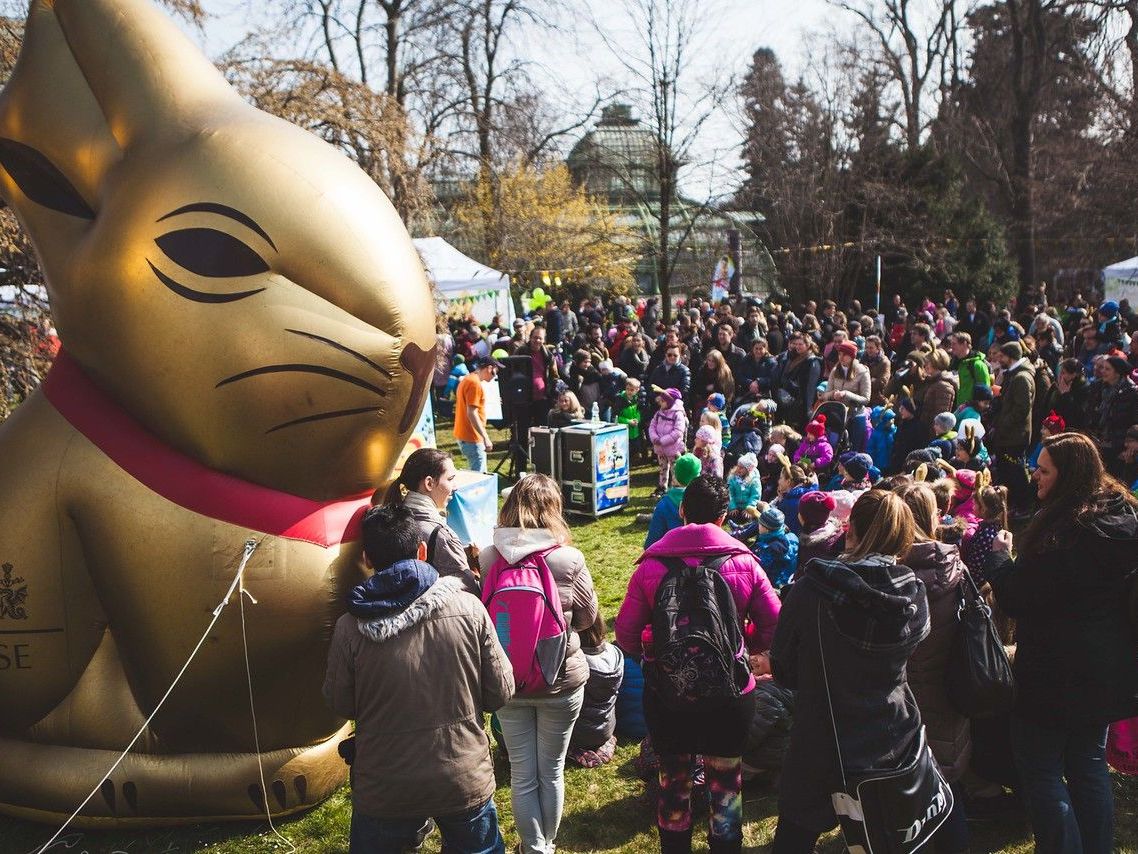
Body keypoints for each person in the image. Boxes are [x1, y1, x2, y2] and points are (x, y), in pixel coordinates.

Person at [323, 505, 514, 852]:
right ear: (422, 550)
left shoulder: (349, 629)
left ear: (367, 559)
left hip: (385, 784)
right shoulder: (470, 609)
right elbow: (500, 692)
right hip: (462, 773)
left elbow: (340, 703)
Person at [985, 433, 1138, 854]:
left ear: (1068, 476)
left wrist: (999, 559)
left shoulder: (1067, 535)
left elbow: (1019, 597)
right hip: (1105, 669)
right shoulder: (1122, 519)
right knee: (1088, 764)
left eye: (1044, 469)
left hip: (1055, 674)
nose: (1035, 474)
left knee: (1041, 770)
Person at [615, 474, 782, 854]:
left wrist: (658, 652)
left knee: (673, 782)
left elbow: (625, 634)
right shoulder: (745, 563)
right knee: (725, 783)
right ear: (723, 517)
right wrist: (739, 646)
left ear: (682, 510)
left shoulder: (650, 565)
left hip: (667, 693)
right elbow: (775, 625)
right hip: (732, 692)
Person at [769, 490, 930, 853]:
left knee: (798, 832)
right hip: (889, 729)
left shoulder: (813, 590)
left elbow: (783, 665)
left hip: (824, 733)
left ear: (850, 529)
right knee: (886, 832)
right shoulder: (912, 592)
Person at [479, 474, 600, 854]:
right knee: (551, 771)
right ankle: (546, 845)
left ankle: (533, 848)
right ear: (554, 510)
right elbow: (587, 616)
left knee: (521, 773)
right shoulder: (568, 559)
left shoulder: (489, 556)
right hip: (560, 679)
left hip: (508, 682)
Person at [894, 482, 972, 854]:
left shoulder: (895, 575)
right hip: (950, 684)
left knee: (906, 790)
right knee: (947, 780)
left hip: (906, 693)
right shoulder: (955, 564)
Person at [382, 448, 478, 594]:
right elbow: (470, 591)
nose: (455, 487)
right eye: (450, 479)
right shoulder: (441, 535)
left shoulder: (387, 521)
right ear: (429, 483)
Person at [567, 614, 625, 768]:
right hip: (606, 728)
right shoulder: (615, 653)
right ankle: (604, 743)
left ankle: (572, 750)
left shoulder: (575, 662)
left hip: (577, 734)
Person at [989, 341, 1036, 518]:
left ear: (1010, 357)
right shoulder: (1013, 375)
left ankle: (1024, 506)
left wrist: (1003, 423)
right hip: (1008, 434)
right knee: (1008, 471)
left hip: (1015, 436)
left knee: (1016, 471)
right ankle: (1014, 503)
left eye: (1001, 356)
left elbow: (1021, 409)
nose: (998, 359)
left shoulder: (1021, 378)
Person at [820, 340, 871, 452]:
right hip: (837, 415)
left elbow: (866, 398)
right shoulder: (835, 370)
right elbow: (825, 394)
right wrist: (833, 394)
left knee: (853, 447)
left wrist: (847, 394)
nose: (841, 357)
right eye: (839, 354)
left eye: (845, 354)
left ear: (852, 356)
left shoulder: (862, 372)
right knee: (833, 446)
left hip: (855, 415)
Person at [645, 453, 703, 549]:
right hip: (700, 555)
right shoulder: (705, 501)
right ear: (698, 476)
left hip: (671, 556)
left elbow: (652, 542)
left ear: (675, 474)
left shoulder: (664, 504)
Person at [454, 355, 500, 473]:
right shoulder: (474, 383)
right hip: (472, 437)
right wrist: (485, 437)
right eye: (495, 372)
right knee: (478, 478)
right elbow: (472, 413)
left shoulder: (468, 379)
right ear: (489, 368)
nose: (495, 376)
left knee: (476, 474)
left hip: (465, 435)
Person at [649, 386, 689, 496]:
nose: (660, 403)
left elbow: (678, 431)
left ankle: (676, 488)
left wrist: (663, 440)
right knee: (662, 468)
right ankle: (662, 487)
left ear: (669, 401)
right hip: (660, 448)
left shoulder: (678, 414)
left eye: (663, 401)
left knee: (675, 469)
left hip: (673, 448)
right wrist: (654, 438)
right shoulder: (659, 413)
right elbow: (652, 425)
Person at [753, 505, 800, 590]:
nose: (758, 526)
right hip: (788, 581)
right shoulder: (792, 536)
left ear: (766, 529)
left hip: (772, 585)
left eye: (759, 524)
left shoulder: (768, 549)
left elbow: (757, 570)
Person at [950, 332, 990, 408]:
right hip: (958, 408)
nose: (951, 347)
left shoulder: (977, 365)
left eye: (954, 344)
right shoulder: (954, 363)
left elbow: (985, 391)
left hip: (970, 409)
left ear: (964, 344)